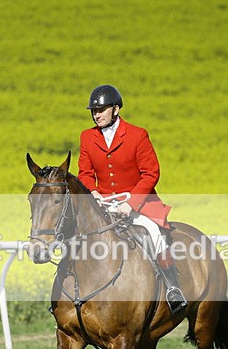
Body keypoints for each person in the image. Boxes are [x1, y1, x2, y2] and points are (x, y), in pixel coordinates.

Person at [77, 85, 187, 314]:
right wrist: (93, 193)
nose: (97, 115)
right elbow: (85, 174)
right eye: (94, 111)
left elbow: (151, 173)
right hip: (103, 205)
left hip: (138, 204)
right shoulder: (87, 137)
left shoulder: (137, 134)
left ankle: (173, 288)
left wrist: (131, 204)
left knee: (155, 235)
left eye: (102, 110)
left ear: (116, 109)